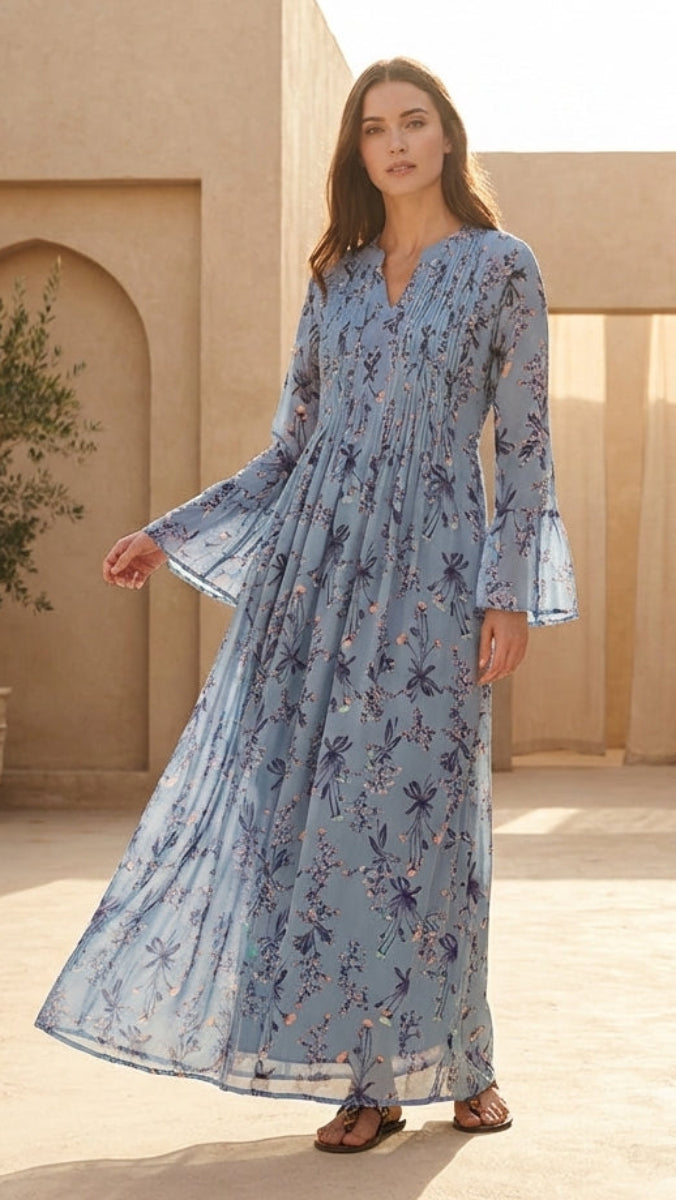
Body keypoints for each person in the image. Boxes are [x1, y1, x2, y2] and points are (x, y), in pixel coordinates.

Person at [36, 57, 577, 1154]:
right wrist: (168, 530)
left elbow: (522, 453)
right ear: (356, 149)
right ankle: (365, 1083)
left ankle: (465, 1060)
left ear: (445, 136)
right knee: (325, 835)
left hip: (430, 578)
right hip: (313, 589)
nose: (395, 142)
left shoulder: (500, 269)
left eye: (413, 122)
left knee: (425, 825)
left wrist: (505, 594)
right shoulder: (333, 277)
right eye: (374, 127)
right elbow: (293, 448)